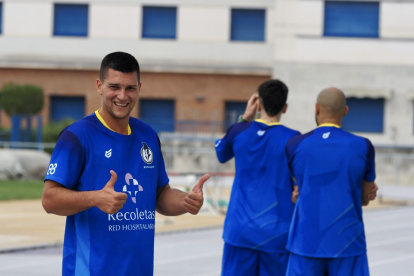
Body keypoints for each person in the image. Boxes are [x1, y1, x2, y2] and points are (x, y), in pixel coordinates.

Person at [42, 52, 210, 276]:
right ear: (100, 86)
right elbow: (49, 199)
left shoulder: (148, 135)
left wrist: (186, 201)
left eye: (130, 88)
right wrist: (95, 198)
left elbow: (160, 196)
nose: (122, 95)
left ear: (139, 87)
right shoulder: (77, 136)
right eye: (114, 87)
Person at [285, 87, 378, 276]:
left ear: (317, 109)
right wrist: (364, 193)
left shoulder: (294, 145)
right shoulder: (364, 146)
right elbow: (364, 198)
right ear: (345, 111)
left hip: (306, 243)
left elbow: (297, 191)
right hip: (348, 243)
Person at [215, 79, 300, 275]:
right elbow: (302, 182)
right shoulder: (294, 139)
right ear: (285, 107)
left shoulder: (239, 131)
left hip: (240, 232)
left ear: (258, 103)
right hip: (277, 234)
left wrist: (244, 119)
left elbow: (221, 152)